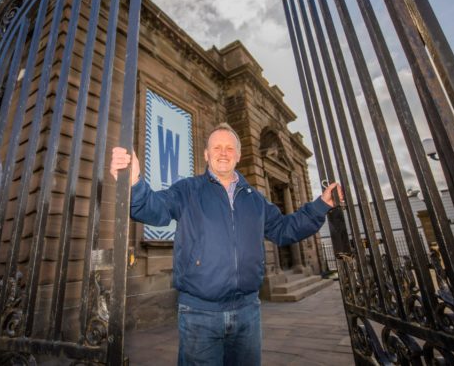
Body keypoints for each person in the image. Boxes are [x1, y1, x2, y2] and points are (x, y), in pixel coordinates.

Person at [110, 123, 343, 366]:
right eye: (217, 147)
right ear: (206, 154)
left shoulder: (255, 199)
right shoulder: (188, 190)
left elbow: (285, 229)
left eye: (229, 148)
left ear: (239, 155)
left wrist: (322, 205)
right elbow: (154, 209)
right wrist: (134, 182)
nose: (223, 153)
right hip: (199, 314)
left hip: (247, 312)